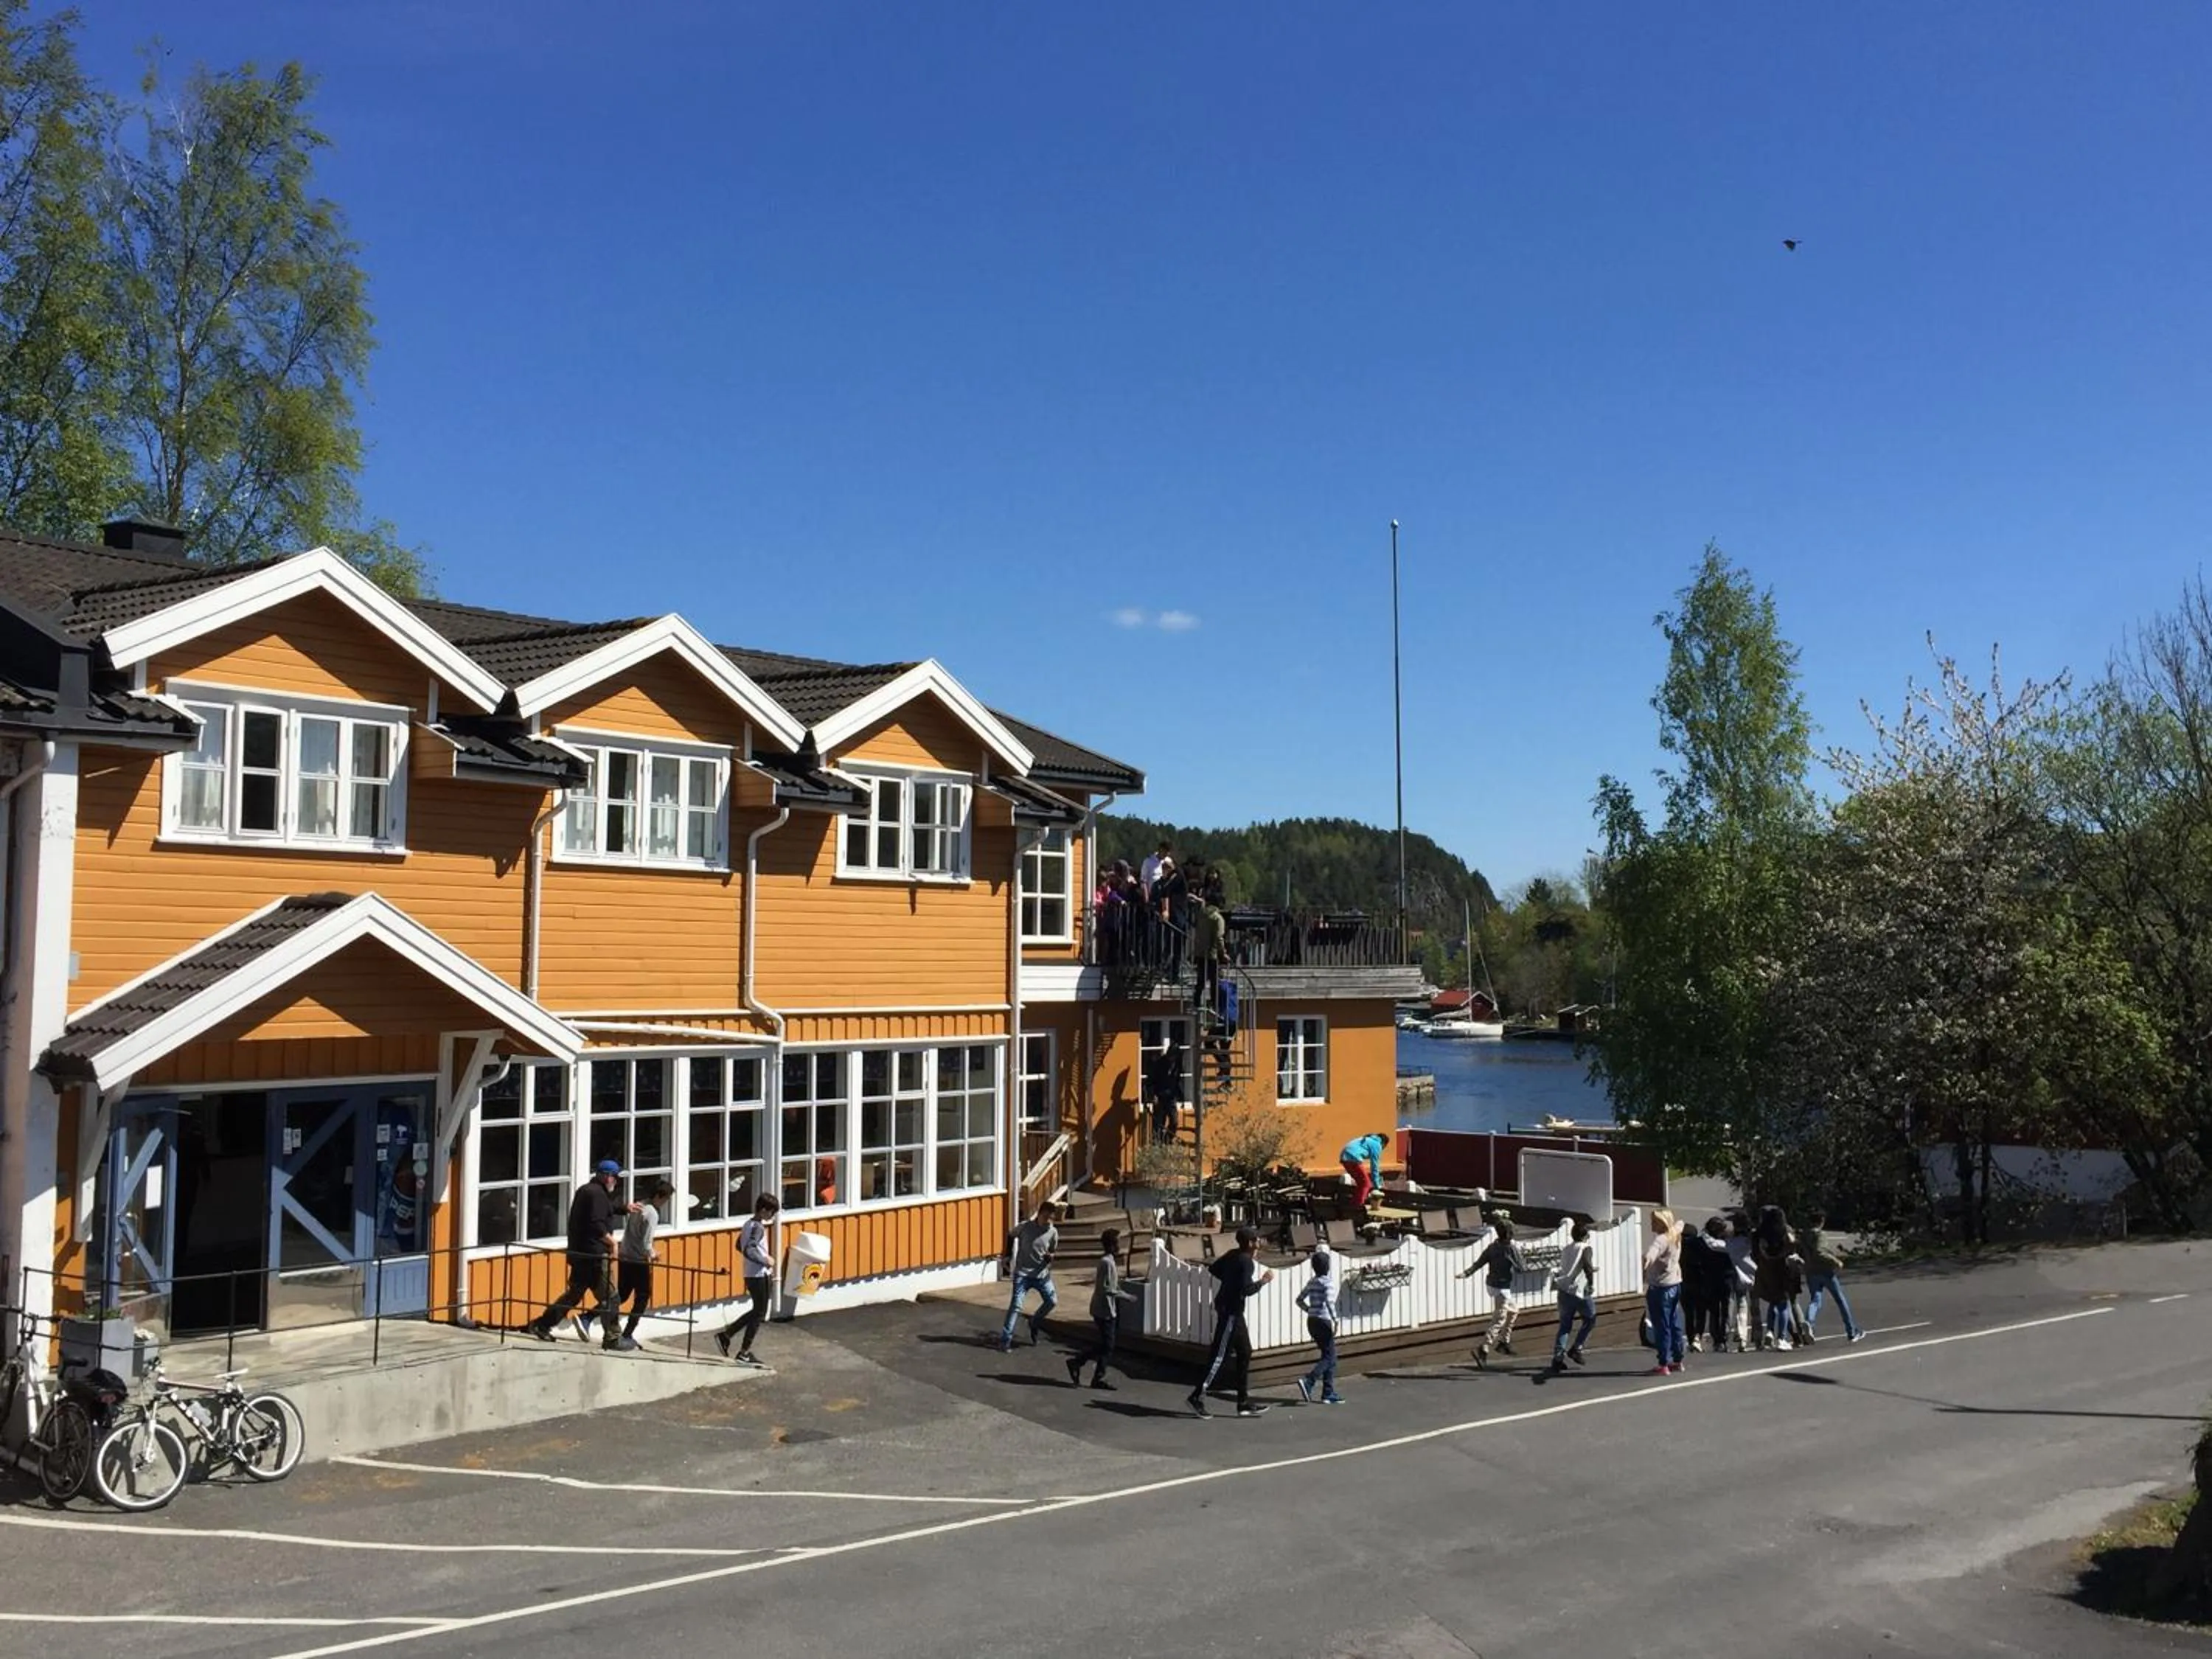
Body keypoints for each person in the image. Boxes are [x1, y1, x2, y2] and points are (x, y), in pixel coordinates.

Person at [526, 1160, 627, 1349]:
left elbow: (605, 1210)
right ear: (607, 1176)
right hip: (594, 1256)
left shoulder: (589, 1191)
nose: (617, 1181)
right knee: (610, 1297)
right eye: (615, 1177)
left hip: (580, 1254)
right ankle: (613, 1338)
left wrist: (625, 1208)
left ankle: (542, 1324)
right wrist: (612, 1243)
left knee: (574, 1295)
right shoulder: (596, 1194)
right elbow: (597, 1224)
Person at [1189, 1225, 1275, 1418]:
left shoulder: (1232, 1255)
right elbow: (1247, 1290)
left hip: (1232, 1310)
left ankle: (1242, 1402)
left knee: (1245, 1351)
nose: (1259, 1243)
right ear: (1251, 1243)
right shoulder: (1246, 1262)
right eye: (1256, 1240)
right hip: (1231, 1312)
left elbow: (1214, 1269)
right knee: (1219, 1357)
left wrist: (1230, 1282)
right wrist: (1263, 1281)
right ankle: (1197, 1396)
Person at [714, 1193, 779, 1367]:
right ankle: (743, 1352)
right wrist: (766, 1260)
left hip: (750, 1274)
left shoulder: (747, 1224)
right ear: (764, 1210)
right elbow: (749, 1250)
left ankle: (727, 1336)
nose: (772, 1217)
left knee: (757, 1310)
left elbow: (739, 1245)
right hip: (759, 1274)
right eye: (771, 1213)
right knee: (759, 1313)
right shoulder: (758, 1227)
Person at [610, 1176, 674, 1352]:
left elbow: (631, 1233)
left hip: (625, 1255)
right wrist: (653, 1254)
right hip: (638, 1260)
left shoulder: (640, 1205)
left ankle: (589, 1316)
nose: (666, 1203)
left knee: (622, 1294)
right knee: (643, 1297)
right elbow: (646, 1242)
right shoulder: (652, 1213)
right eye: (667, 1199)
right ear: (661, 1197)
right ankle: (628, 1333)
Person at [1458, 1214, 1526, 1368]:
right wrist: (1514, 1261)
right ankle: (1483, 1348)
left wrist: (1466, 1273)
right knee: (1500, 1320)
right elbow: (1522, 1269)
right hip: (1501, 1288)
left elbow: (1480, 1262)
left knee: (1514, 1311)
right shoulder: (1511, 1249)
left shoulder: (1493, 1247)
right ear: (1509, 1234)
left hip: (1492, 1285)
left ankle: (1504, 1342)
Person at [998, 1199, 1060, 1352]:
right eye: (1046, 1218)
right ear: (1040, 1214)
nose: (1048, 1222)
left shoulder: (1052, 1232)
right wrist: (1007, 1256)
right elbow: (1011, 1235)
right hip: (1023, 1274)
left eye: (1051, 1219)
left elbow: (1052, 1251)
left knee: (1052, 1301)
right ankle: (1006, 1340)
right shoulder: (1025, 1227)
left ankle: (1035, 1322)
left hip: (1041, 1274)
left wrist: (1050, 1257)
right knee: (1016, 1305)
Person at [1065, 1228, 1124, 1390]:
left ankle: (1080, 1364)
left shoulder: (1110, 1261)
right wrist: (1124, 1295)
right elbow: (1104, 1288)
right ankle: (1085, 1368)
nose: (1120, 1246)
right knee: (1108, 1345)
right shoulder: (1106, 1263)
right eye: (1118, 1242)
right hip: (1103, 1310)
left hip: (1108, 1309)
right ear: (1112, 1245)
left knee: (1107, 1345)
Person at [1801, 1209, 1865, 1343]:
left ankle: (1809, 1322)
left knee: (1816, 1300)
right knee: (1840, 1300)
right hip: (1825, 1271)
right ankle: (1851, 1331)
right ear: (1822, 1221)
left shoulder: (1805, 1235)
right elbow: (1820, 1252)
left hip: (1811, 1271)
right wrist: (1836, 1261)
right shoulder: (1820, 1235)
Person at [1549, 1217, 1598, 1373]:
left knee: (1565, 1325)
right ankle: (1577, 1347)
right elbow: (1587, 1266)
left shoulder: (1566, 1249)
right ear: (1585, 1236)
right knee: (1590, 1318)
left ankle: (1558, 1358)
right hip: (1579, 1290)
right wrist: (1591, 1282)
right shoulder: (1586, 1248)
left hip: (1563, 1289)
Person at [1294, 1248, 1343, 1405]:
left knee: (1328, 1356)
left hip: (1312, 1320)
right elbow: (1329, 1302)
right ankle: (1309, 1380)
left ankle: (1328, 1393)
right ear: (1327, 1267)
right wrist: (1336, 1320)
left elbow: (1299, 1300)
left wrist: (1309, 1309)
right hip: (1323, 1320)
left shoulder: (1312, 1282)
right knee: (1330, 1357)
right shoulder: (1327, 1283)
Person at [1643, 1207, 1686, 1375]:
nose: (1652, 1224)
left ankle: (1663, 1363)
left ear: (1662, 1223)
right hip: (1675, 1285)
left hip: (1660, 1288)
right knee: (1674, 1323)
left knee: (1662, 1326)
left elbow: (1651, 1253)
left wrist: (1646, 1262)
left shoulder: (1661, 1240)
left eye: (1655, 1221)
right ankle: (1678, 1359)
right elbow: (1681, 1224)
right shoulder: (1675, 1234)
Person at [1753, 1206, 1798, 1351]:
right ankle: (1782, 1337)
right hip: (1782, 1269)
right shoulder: (1784, 1232)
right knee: (1783, 1303)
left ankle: (1770, 1331)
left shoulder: (1759, 1234)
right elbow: (1793, 1245)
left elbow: (1754, 1254)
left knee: (1773, 1301)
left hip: (1765, 1269)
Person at [1696, 1216, 1736, 1354]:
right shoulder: (1727, 1243)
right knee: (1726, 1310)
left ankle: (1716, 1339)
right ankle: (1723, 1339)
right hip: (1726, 1278)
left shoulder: (1704, 1242)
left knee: (1714, 1311)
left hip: (1710, 1278)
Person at [1725, 1209, 1759, 1352]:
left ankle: (1742, 1337)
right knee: (1755, 1307)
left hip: (1739, 1276)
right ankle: (1758, 1338)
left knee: (1742, 1305)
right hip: (1755, 1274)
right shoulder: (1752, 1241)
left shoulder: (1732, 1242)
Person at [1145, 1038, 1186, 1144]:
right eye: (1171, 1056)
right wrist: (1153, 1095)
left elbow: (1178, 1080)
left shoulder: (1178, 1064)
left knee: (1174, 1122)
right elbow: (1150, 1081)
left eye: (1174, 1057)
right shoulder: (1159, 1064)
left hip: (1171, 1098)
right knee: (1158, 1123)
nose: (1172, 1059)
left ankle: (1167, 1140)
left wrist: (1182, 1096)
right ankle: (1157, 1144)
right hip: (1159, 1097)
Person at [1340, 1133, 1388, 1209]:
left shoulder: (1368, 1140)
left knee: (1361, 1183)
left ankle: (1353, 1205)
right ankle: (1359, 1207)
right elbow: (1374, 1166)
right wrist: (1377, 1186)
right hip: (1353, 1158)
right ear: (1384, 1144)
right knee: (1366, 1184)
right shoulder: (1377, 1144)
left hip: (1345, 1158)